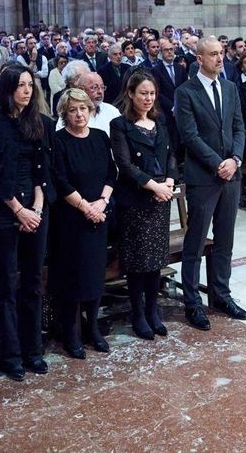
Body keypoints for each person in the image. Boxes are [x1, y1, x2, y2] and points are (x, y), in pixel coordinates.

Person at [0, 64, 53, 378]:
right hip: (4, 213)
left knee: (33, 282)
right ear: (7, 89)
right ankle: (10, 355)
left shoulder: (39, 122)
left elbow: (42, 171)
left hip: (35, 210)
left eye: (30, 85)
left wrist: (37, 209)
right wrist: (19, 211)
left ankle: (34, 350)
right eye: (20, 85)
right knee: (6, 284)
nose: (27, 91)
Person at [174, 37, 246, 330]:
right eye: (214, 54)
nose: (220, 58)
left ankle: (221, 295)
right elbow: (189, 136)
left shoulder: (229, 88)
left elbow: (239, 127)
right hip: (204, 177)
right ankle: (192, 303)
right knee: (195, 243)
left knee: (225, 240)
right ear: (199, 59)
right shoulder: (186, 92)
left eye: (221, 53)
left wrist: (236, 160)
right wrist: (219, 163)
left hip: (232, 175)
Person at [109, 71, 177, 340]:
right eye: (143, 93)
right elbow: (125, 165)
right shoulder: (120, 125)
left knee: (156, 260)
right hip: (136, 199)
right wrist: (155, 187)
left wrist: (169, 181)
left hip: (161, 198)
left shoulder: (160, 120)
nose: (148, 98)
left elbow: (171, 155)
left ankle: (153, 310)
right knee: (138, 262)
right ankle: (138, 314)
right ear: (130, 94)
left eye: (152, 93)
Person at [50, 88, 116, 356]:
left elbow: (111, 173)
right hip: (71, 219)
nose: (79, 114)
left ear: (90, 110)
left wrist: (102, 202)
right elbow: (61, 180)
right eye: (73, 110)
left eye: (83, 108)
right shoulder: (58, 141)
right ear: (64, 114)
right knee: (73, 277)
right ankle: (71, 332)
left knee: (95, 274)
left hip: (99, 215)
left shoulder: (100, 137)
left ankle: (94, 327)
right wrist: (86, 207)